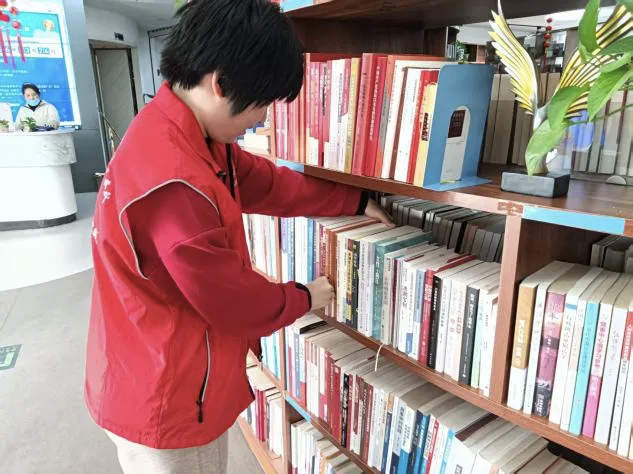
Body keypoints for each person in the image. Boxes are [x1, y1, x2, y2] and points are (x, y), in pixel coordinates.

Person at [84, 1, 392, 473]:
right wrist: (305, 296)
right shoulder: (173, 182)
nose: (261, 118)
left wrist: (352, 200)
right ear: (221, 83)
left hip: (144, 361)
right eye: (261, 103)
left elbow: (264, 182)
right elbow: (232, 302)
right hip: (167, 397)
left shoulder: (186, 131)